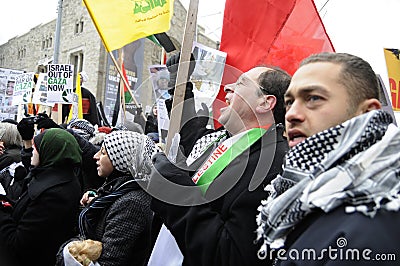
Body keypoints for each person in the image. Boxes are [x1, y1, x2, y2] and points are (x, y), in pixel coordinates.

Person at [256, 52, 400, 265]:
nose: (291, 114)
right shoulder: (294, 192)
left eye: (313, 98)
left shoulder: (375, 224)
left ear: (367, 112)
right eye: (289, 102)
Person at [149, 65, 291, 266]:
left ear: (265, 102)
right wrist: (179, 84)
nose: (227, 88)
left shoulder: (274, 165)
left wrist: (173, 189)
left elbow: (230, 256)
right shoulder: (219, 142)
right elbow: (189, 130)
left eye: (241, 83)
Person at [0, 128, 82, 266]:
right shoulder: (54, 178)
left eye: (36, 148)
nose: (32, 151)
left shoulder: (54, 194)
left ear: (49, 151)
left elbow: (19, 244)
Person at [76, 131, 159, 266]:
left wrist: (68, 254)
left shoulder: (132, 203)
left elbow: (109, 261)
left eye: (103, 153)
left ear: (122, 158)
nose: (95, 156)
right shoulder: (118, 189)